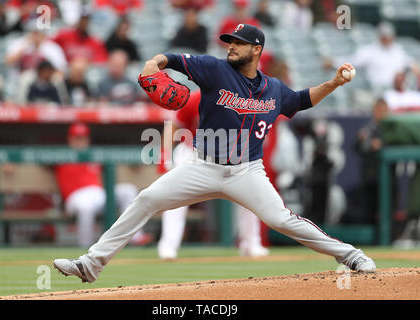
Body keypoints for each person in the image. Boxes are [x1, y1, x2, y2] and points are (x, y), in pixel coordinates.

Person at [54, 24, 376, 283]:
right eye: (229, 41)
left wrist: (333, 82)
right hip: (202, 165)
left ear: (256, 49)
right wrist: (153, 64)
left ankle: (349, 255)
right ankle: (91, 264)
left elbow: (303, 100)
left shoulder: (274, 89)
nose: (231, 46)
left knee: (282, 219)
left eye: (238, 42)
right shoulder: (213, 69)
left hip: (247, 172)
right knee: (146, 200)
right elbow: (171, 60)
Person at [157, 90, 269, 259]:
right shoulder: (194, 99)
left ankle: (251, 243)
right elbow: (173, 127)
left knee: (249, 194)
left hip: (227, 153)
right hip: (192, 152)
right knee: (175, 198)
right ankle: (168, 246)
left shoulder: (238, 100)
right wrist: (164, 155)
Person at [55, 122, 153, 247]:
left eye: (82, 138)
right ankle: (85, 247)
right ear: (70, 139)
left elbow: (116, 156)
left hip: (98, 195)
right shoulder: (61, 155)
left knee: (128, 190)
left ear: (87, 139)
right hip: (75, 198)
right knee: (86, 207)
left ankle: (136, 237)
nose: (80, 141)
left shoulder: (94, 154)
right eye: (77, 138)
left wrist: (134, 162)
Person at [324, 22, 419, 93]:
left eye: (389, 36)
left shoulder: (397, 51)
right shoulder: (369, 51)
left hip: (397, 90)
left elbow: (412, 64)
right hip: (377, 90)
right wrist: (334, 63)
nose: (387, 39)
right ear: (380, 36)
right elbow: (353, 62)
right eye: (384, 36)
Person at [354, 98, 389, 224]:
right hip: (370, 176)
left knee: (387, 208)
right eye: (378, 109)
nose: (380, 113)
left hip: (388, 177)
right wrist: (363, 141)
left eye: (383, 110)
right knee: (368, 210)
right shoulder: (368, 128)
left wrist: (382, 144)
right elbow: (356, 147)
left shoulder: (391, 128)